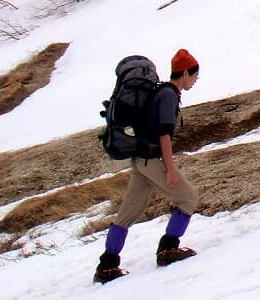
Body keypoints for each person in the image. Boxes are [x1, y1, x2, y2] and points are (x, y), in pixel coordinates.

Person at [93, 49, 200, 284]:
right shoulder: (169, 95)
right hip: (151, 159)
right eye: (194, 76)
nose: (195, 81)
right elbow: (163, 134)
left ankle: (107, 265)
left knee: (128, 212)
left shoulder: (161, 91)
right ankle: (168, 249)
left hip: (139, 160)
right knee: (188, 198)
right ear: (184, 73)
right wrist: (170, 170)